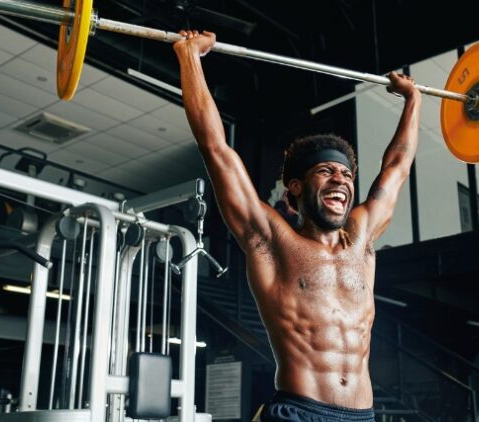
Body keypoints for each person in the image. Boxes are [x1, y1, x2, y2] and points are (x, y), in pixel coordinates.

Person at [174, 29, 421, 421]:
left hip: (362, 416)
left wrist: (413, 100)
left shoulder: (361, 239)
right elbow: (216, 148)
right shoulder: (271, 240)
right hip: (300, 411)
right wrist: (190, 57)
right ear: (295, 188)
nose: (341, 179)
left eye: (345, 174)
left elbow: (397, 167)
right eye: (326, 171)